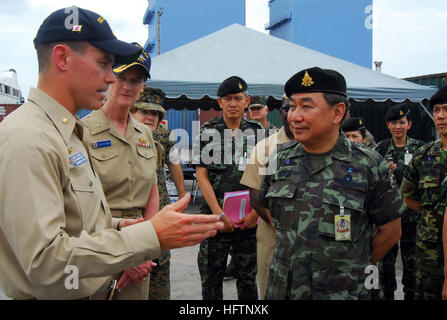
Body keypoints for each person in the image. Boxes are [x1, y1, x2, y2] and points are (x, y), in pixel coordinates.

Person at [0, 6, 223, 300]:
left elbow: (78, 219)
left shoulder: (66, 131)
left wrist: (121, 226)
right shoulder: (29, 138)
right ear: (63, 57)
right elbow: (45, 263)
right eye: (104, 64)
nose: (110, 78)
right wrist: (147, 237)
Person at [255, 67, 404, 300]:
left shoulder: (369, 164)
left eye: (307, 106)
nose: (294, 116)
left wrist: (348, 266)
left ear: (337, 113)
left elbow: (391, 231)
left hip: (342, 292)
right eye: (292, 106)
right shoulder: (279, 158)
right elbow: (270, 212)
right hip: (283, 290)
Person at [83, 43, 159, 299]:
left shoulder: (146, 133)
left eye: (135, 80)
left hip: (139, 242)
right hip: (98, 240)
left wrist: (145, 248)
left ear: (142, 88)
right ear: (108, 80)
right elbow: (79, 204)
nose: (127, 86)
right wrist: (126, 255)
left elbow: (152, 191)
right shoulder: (83, 131)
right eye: (121, 78)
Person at [192, 76, 264, 300]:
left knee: (247, 280)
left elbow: (267, 177)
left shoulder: (257, 132)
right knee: (211, 280)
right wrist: (219, 214)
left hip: (248, 222)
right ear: (220, 102)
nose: (233, 103)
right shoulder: (207, 131)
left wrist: (255, 214)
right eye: (228, 98)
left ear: (247, 101)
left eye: (238, 98)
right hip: (214, 220)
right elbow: (201, 177)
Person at [131, 86, 186, 300]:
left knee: (161, 263)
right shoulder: (123, 135)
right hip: (132, 214)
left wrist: (182, 197)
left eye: (155, 113)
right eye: (144, 111)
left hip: (160, 211)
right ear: (132, 111)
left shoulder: (164, 135)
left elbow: (174, 164)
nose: (150, 117)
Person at [240, 93, 294, 299]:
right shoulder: (266, 148)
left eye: (302, 107)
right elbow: (255, 196)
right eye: (289, 108)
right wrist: (282, 230)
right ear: (281, 112)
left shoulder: (319, 146)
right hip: (274, 239)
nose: (294, 114)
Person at [374, 103, 426, 300]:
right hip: (388, 217)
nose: (398, 126)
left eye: (402, 122)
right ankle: (388, 294)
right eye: (394, 122)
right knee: (386, 262)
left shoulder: (419, 148)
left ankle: (410, 294)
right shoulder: (381, 148)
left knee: (411, 262)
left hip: (411, 217)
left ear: (409, 125)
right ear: (388, 125)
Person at [401, 86, 447, 300]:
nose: (441, 116)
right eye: (436, 110)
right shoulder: (424, 155)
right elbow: (408, 196)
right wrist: (432, 215)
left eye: (446, 109)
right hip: (428, 249)